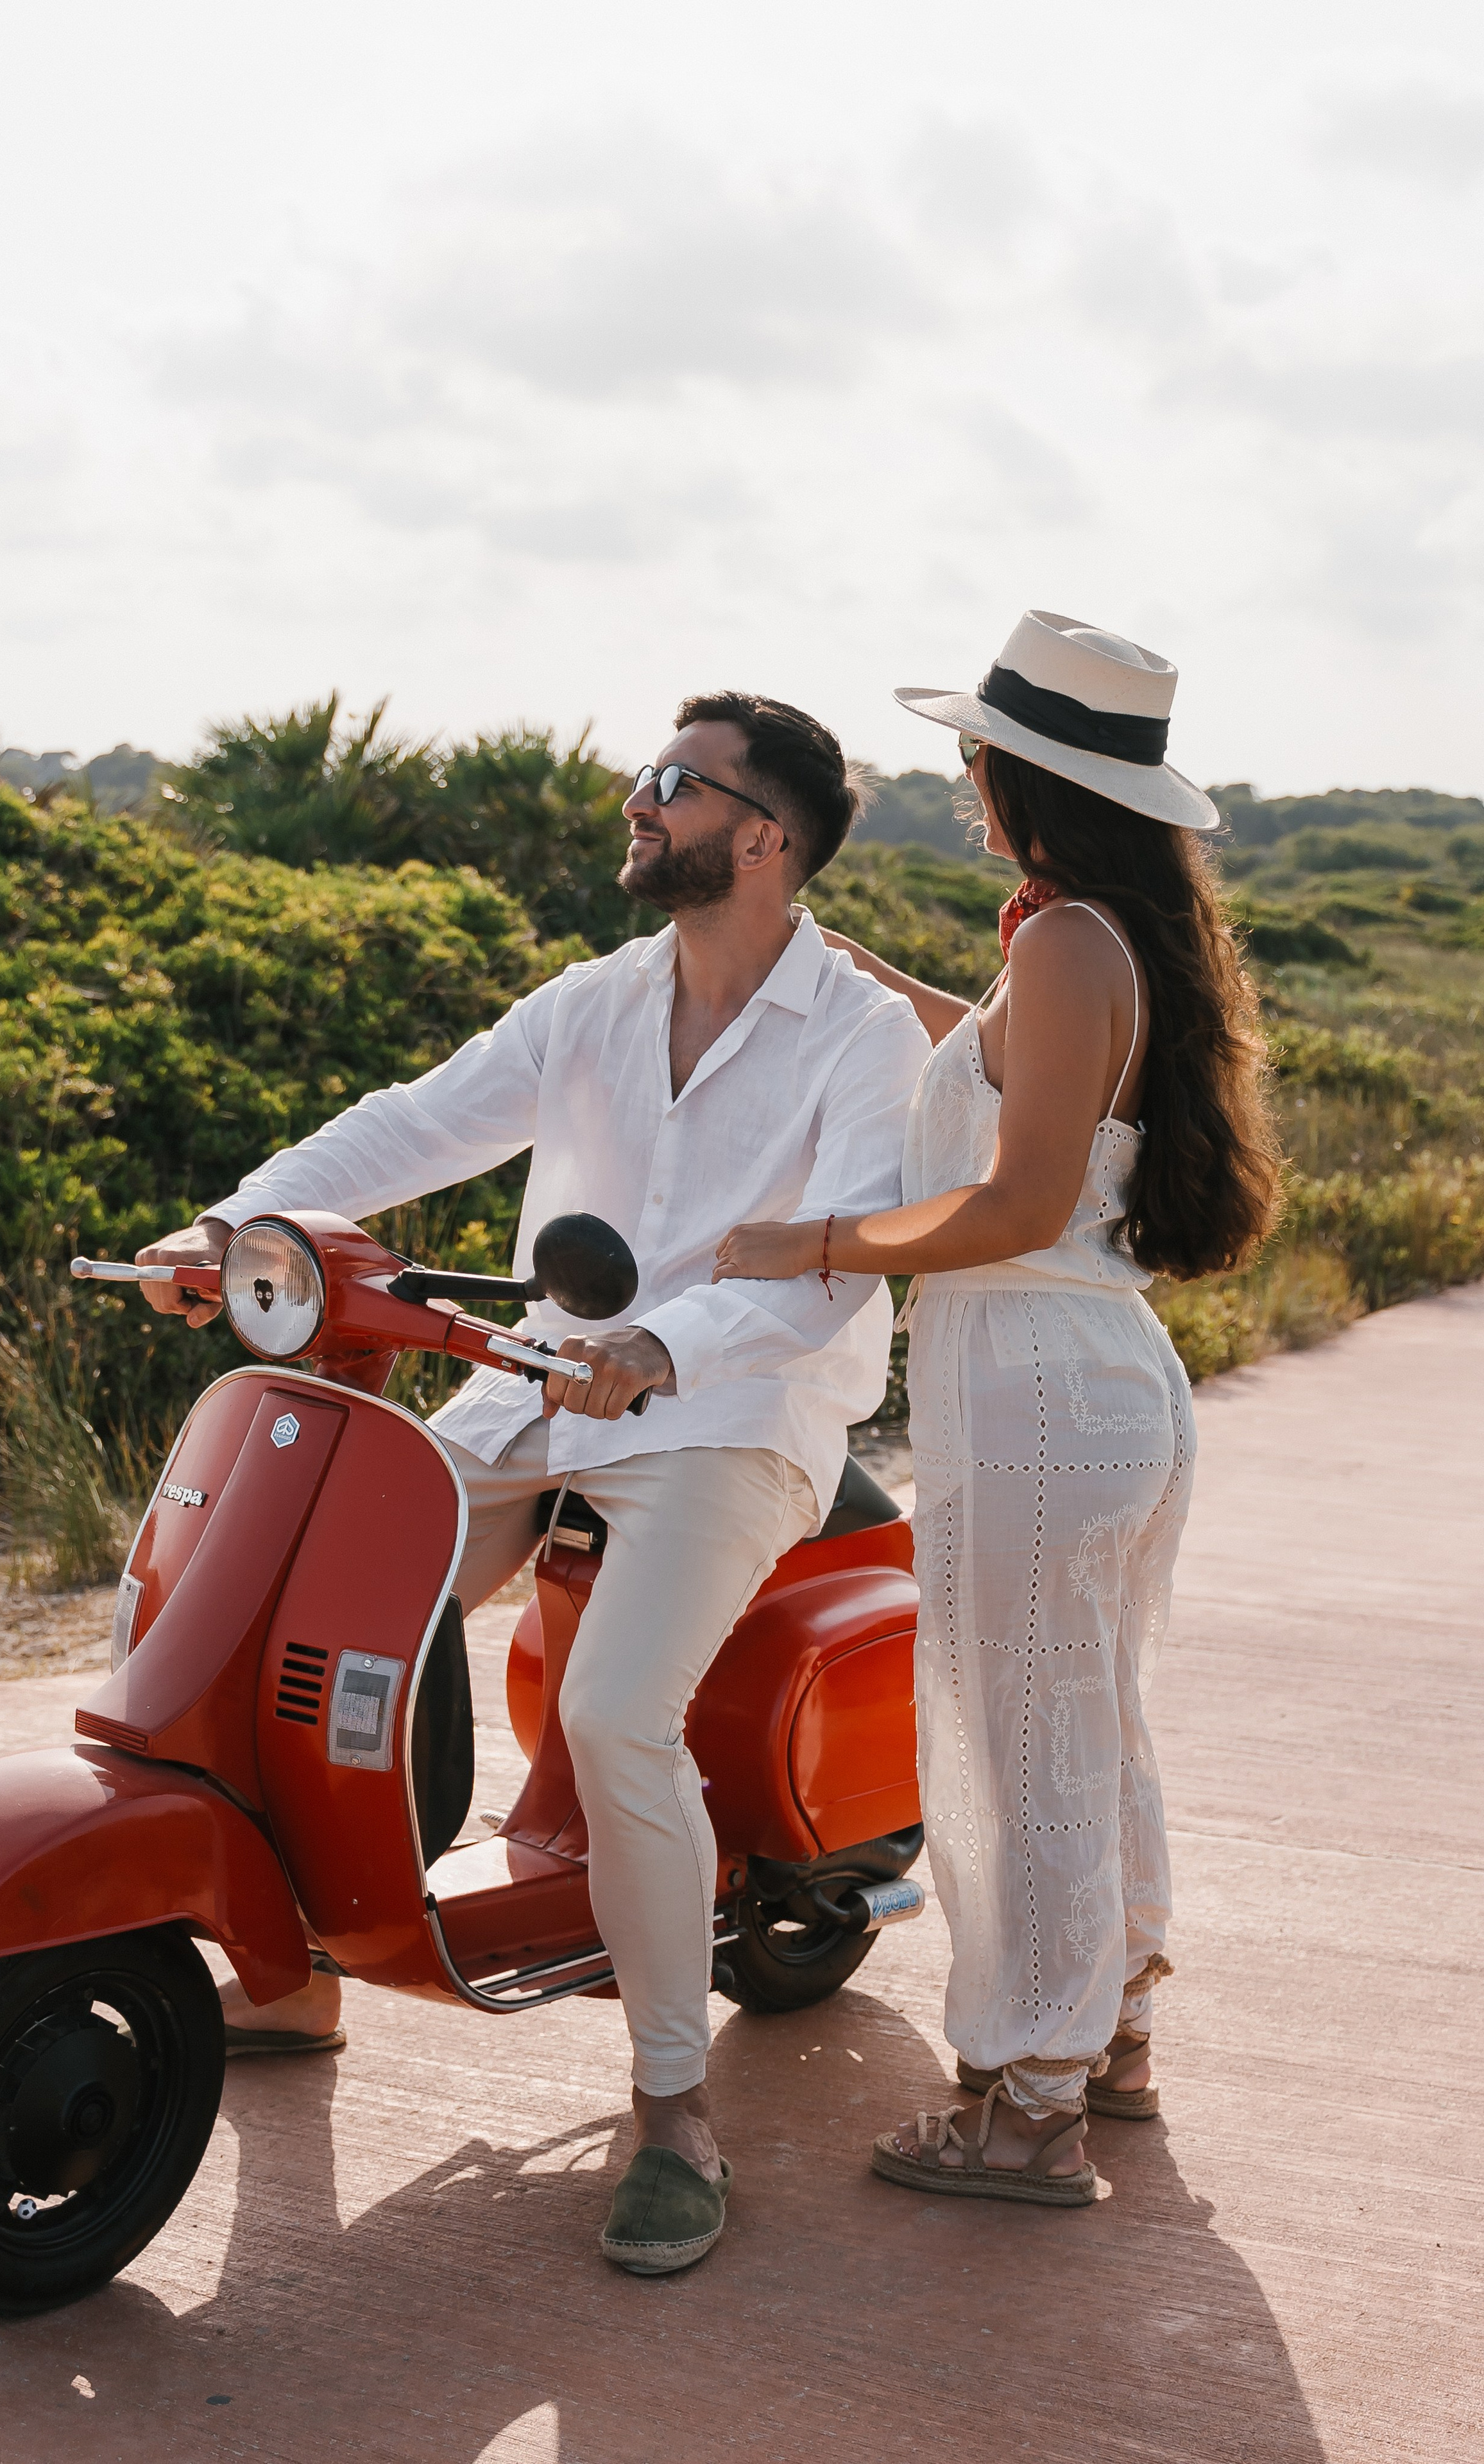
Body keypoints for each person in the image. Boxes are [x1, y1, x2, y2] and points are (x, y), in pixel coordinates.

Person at [137, 691, 930, 2270]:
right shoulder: (589, 1002)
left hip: (732, 1417)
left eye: (672, 785)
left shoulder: (861, 1035)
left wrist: (661, 1340)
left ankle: (671, 2114)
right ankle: (293, 1970)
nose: (636, 804)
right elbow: (417, 1126)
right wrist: (239, 1222)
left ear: (761, 837)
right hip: (536, 1396)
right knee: (289, 1601)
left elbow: (830, 1271)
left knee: (612, 1713)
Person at [715, 612, 1280, 2206]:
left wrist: (815, 1245)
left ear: (1021, 775)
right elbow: (997, 1080)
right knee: (1087, 1723)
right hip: (1093, 1387)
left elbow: (1018, 1200)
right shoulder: (1095, 938)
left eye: (975, 756)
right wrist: (854, 974)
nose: (962, 781)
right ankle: (1104, 2044)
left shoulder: (1059, 944)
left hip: (1032, 1391)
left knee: (1016, 1736)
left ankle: (1024, 2104)